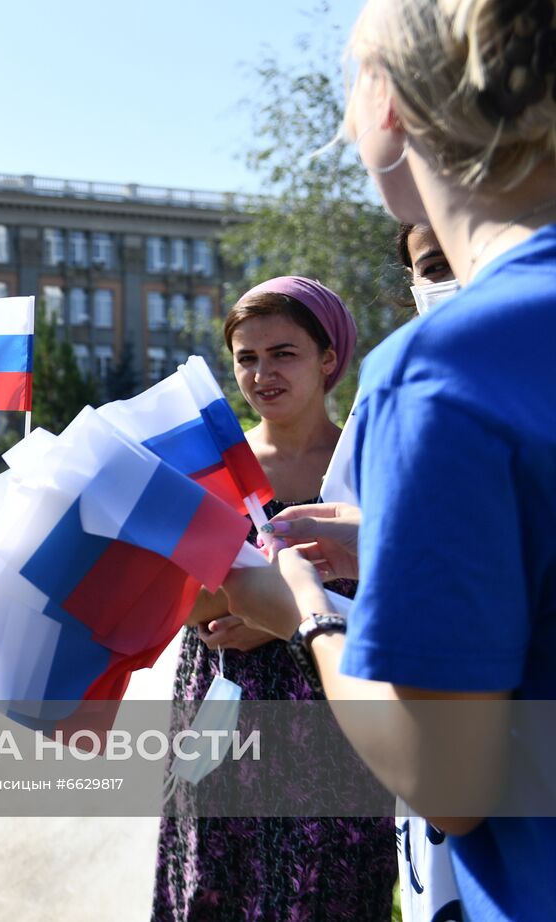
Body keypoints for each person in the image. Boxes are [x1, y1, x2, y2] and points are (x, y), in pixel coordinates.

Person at [224, 3, 556, 918]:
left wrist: (310, 614)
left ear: (386, 108)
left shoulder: (445, 365)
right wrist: (402, 543)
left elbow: (445, 774)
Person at [154, 278, 396, 921]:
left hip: (332, 714)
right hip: (221, 712)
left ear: (328, 358)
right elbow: (169, 593)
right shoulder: (207, 465)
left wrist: (275, 618)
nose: (261, 373)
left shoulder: (368, 462)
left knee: (327, 887)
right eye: (246, 357)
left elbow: (400, 583)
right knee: (214, 881)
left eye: (282, 353)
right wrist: (240, 602)